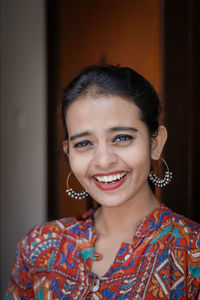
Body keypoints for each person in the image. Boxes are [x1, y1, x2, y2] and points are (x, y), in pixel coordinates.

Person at [5, 65, 200, 299]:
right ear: (69, 152)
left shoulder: (192, 252)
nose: (104, 161)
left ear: (155, 143)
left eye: (122, 138)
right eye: (84, 143)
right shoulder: (38, 248)